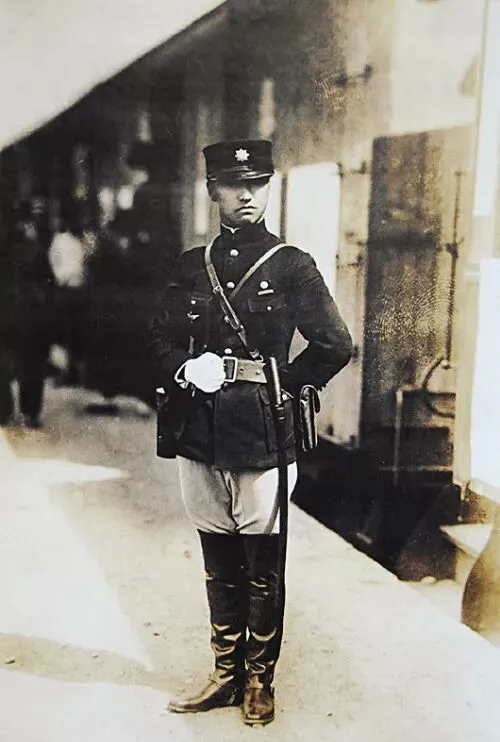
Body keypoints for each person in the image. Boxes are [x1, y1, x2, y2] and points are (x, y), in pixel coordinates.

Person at [150, 139, 353, 726]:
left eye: (258, 184)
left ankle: (260, 681)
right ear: (212, 190)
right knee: (218, 557)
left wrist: (282, 386)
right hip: (199, 430)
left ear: (268, 188)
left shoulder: (291, 265)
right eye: (235, 185)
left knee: (262, 563)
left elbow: (336, 344)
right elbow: (158, 337)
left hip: (262, 433)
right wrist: (184, 367)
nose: (247, 195)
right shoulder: (193, 265)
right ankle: (224, 674)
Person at [0, 212, 55, 428]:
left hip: (7, 312)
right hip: (31, 314)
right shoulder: (35, 250)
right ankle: (30, 412)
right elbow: (50, 286)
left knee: (3, 362)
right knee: (32, 364)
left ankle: (3, 411)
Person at [48, 218, 87, 385]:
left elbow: (83, 265)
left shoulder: (77, 241)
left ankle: (74, 372)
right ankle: (68, 372)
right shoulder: (64, 241)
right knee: (66, 333)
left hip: (74, 290)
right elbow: (54, 262)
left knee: (73, 333)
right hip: (68, 289)